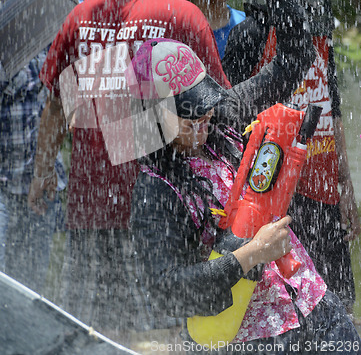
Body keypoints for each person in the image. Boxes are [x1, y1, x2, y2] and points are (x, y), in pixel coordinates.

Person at [27, 0, 236, 336]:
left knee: (89, 332)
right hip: (160, 207)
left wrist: (42, 172)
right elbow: (220, 105)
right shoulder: (183, 16)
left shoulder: (81, 17)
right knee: (155, 336)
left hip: (89, 205)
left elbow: (55, 108)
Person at [129, 37, 360, 354]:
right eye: (189, 110)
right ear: (151, 117)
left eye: (205, 102)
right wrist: (253, 254)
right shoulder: (154, 190)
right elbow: (167, 290)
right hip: (254, 338)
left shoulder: (225, 122)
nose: (204, 116)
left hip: (315, 303)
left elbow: (297, 54)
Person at [222, 0, 361, 313]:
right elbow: (232, 122)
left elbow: (329, 107)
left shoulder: (322, 29)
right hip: (275, 191)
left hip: (322, 184)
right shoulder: (250, 34)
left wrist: (345, 183)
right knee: (280, 307)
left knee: (338, 303)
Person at [0, 52, 67, 294]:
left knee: (30, 285)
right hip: (3, 183)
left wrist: (45, 169)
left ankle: (22, 331)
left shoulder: (51, 40)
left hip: (42, 180)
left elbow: (61, 105)